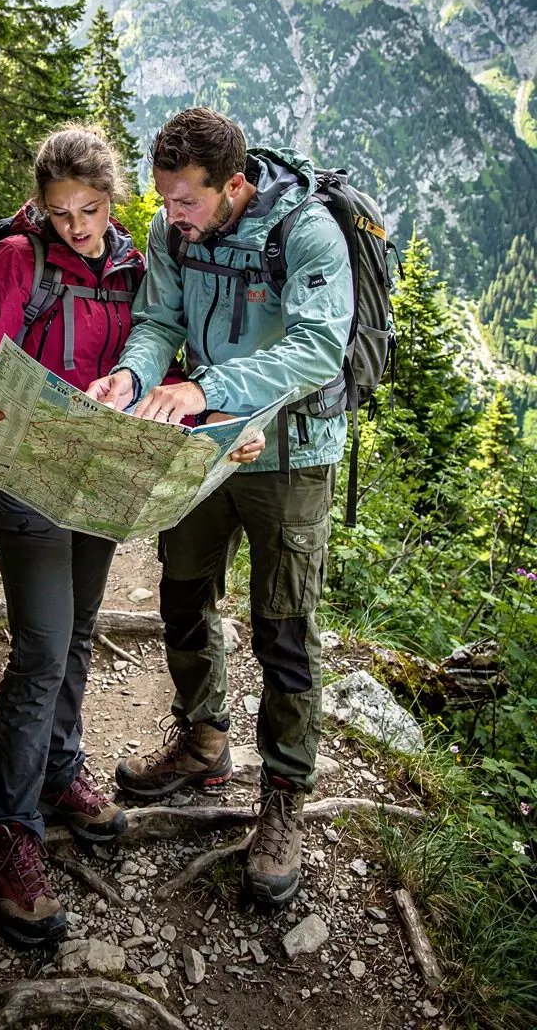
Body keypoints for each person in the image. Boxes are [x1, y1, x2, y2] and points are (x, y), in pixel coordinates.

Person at [87, 107, 353, 908]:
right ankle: (204, 741)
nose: (170, 218)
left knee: (284, 630)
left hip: (290, 455)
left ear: (232, 185)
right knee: (181, 593)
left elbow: (316, 349)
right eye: (164, 200)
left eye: (186, 202)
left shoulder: (304, 234)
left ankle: (284, 799)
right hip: (205, 450)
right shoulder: (174, 237)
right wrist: (134, 376)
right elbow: (159, 320)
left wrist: (206, 387)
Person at [0, 125, 145, 949]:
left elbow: (153, 353)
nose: (77, 227)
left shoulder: (133, 263)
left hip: (99, 469)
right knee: (41, 647)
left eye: (90, 210)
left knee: (81, 631)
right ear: (41, 206)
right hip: (26, 464)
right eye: (60, 213)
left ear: (111, 197)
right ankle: (10, 832)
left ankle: (60, 774)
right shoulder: (16, 258)